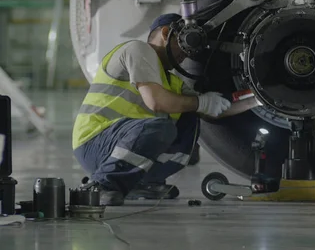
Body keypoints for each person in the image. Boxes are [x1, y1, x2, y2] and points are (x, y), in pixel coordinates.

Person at [72, 13, 261, 206]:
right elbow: (156, 102)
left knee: (190, 120)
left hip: (122, 145)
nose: (186, 54)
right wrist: (200, 103)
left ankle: (141, 182)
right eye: (184, 44)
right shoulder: (138, 50)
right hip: (95, 142)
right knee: (161, 127)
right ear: (165, 33)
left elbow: (213, 109)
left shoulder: (173, 82)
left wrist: (258, 100)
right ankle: (102, 185)